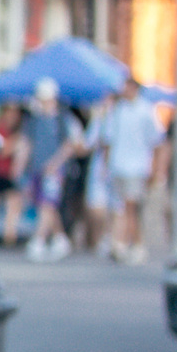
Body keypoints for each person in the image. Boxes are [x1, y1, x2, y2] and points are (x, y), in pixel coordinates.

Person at [94, 77, 166, 263]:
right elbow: (108, 140)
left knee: (130, 206)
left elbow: (157, 142)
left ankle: (133, 243)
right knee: (119, 207)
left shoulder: (146, 111)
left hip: (137, 167)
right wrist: (105, 165)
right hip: (118, 166)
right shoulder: (118, 110)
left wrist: (155, 169)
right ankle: (121, 242)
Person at [23, 77, 81, 262]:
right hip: (37, 168)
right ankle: (60, 239)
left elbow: (68, 145)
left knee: (47, 204)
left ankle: (38, 240)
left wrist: (55, 164)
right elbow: (27, 144)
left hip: (55, 171)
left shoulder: (62, 119)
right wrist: (22, 165)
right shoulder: (34, 120)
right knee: (47, 205)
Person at [0, 104, 26, 246]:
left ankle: (9, 235)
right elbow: (1, 150)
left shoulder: (13, 130)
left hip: (8, 173)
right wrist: (15, 142)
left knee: (12, 203)